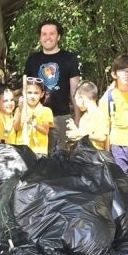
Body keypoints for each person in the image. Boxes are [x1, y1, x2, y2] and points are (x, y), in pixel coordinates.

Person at [23, 20, 81, 154]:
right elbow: (25, 89)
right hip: (35, 117)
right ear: (40, 37)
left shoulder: (69, 58)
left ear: (58, 36)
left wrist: (77, 118)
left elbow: (75, 90)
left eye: (51, 33)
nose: (47, 37)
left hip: (61, 118)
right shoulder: (32, 60)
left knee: (62, 159)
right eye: (44, 34)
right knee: (36, 158)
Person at [101, 55, 128, 172]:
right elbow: (106, 126)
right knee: (121, 177)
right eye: (122, 70)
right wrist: (107, 152)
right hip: (117, 145)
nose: (127, 73)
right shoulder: (109, 96)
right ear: (114, 74)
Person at [65, 81, 108, 150]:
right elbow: (82, 134)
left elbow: (102, 137)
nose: (76, 104)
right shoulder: (84, 116)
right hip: (84, 153)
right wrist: (74, 129)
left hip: (95, 156)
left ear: (82, 98)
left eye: (76, 100)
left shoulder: (99, 114)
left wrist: (81, 133)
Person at [18, 77, 54, 155]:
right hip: (22, 150)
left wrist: (32, 123)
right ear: (24, 93)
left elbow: (45, 131)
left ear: (42, 94)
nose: (32, 96)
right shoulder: (20, 109)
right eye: (29, 92)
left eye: (36, 93)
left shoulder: (46, 110)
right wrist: (20, 111)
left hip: (39, 152)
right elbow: (16, 128)